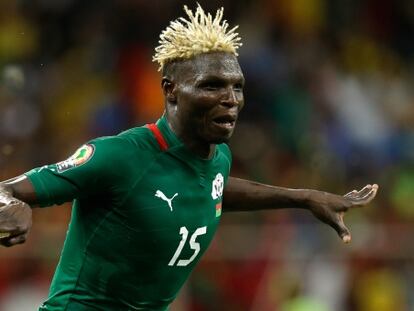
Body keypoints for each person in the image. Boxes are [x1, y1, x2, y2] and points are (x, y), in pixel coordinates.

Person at [0, 4, 378, 311]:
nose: (230, 99)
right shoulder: (118, 156)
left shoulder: (218, 159)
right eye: (211, 86)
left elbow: (211, 187)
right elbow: (6, 190)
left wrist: (303, 198)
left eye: (237, 87)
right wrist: (9, 205)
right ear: (171, 90)